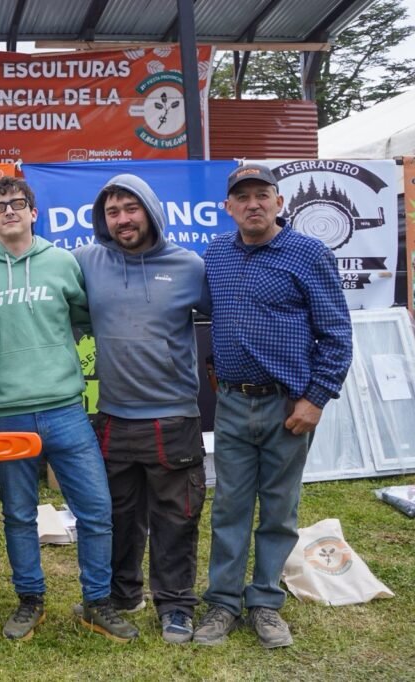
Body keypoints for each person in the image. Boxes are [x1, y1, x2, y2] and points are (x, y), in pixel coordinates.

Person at [0, 176, 136, 644]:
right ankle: (30, 599)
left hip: (65, 408)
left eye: (17, 203)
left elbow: (84, 318)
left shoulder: (63, 262)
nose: (9, 211)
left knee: (96, 510)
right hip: (5, 412)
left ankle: (97, 602)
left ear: (33, 212)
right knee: (18, 514)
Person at [194, 164, 352, 649]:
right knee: (229, 506)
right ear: (228, 208)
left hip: (289, 406)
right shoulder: (216, 253)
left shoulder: (309, 253)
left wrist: (316, 399)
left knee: (280, 509)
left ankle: (264, 602)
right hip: (232, 401)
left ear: (279, 202)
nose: (253, 205)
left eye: (262, 195)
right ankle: (223, 603)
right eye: (242, 198)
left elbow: (337, 334)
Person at [74, 175, 208, 645]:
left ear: (150, 210)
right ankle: (122, 594)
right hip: (113, 416)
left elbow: (224, 315)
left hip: (174, 416)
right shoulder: (86, 261)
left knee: (177, 516)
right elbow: (39, 267)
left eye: (131, 209)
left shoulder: (189, 266)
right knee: (117, 515)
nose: (123, 220)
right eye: (112, 212)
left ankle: (176, 606)